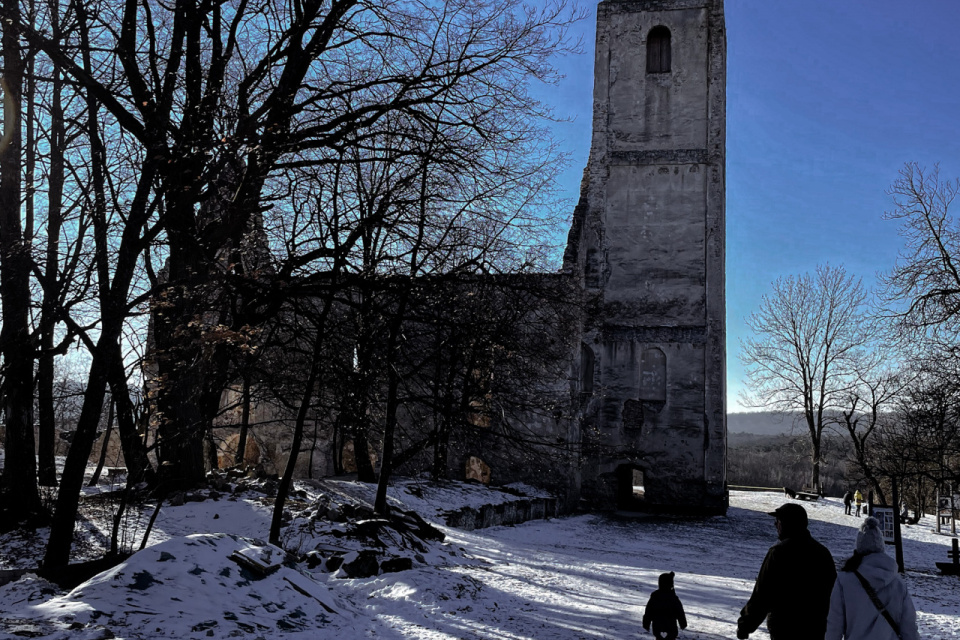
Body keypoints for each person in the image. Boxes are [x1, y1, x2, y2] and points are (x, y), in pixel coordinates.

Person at [737, 504, 837, 640]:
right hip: (815, 629)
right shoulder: (822, 553)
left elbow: (762, 594)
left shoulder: (778, 553)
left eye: (777, 522)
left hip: (784, 629)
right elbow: (833, 594)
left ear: (785, 524)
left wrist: (746, 625)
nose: (775, 525)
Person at [825, 517, 919, 640]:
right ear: (881, 546)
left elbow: (834, 626)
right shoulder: (898, 583)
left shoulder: (844, 581)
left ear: (858, 547)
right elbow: (909, 627)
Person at [643, 571, 687, 640]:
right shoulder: (673, 598)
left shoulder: (655, 597)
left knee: (659, 637)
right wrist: (683, 623)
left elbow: (648, 611)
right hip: (671, 626)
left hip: (657, 625)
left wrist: (646, 623)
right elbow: (680, 612)